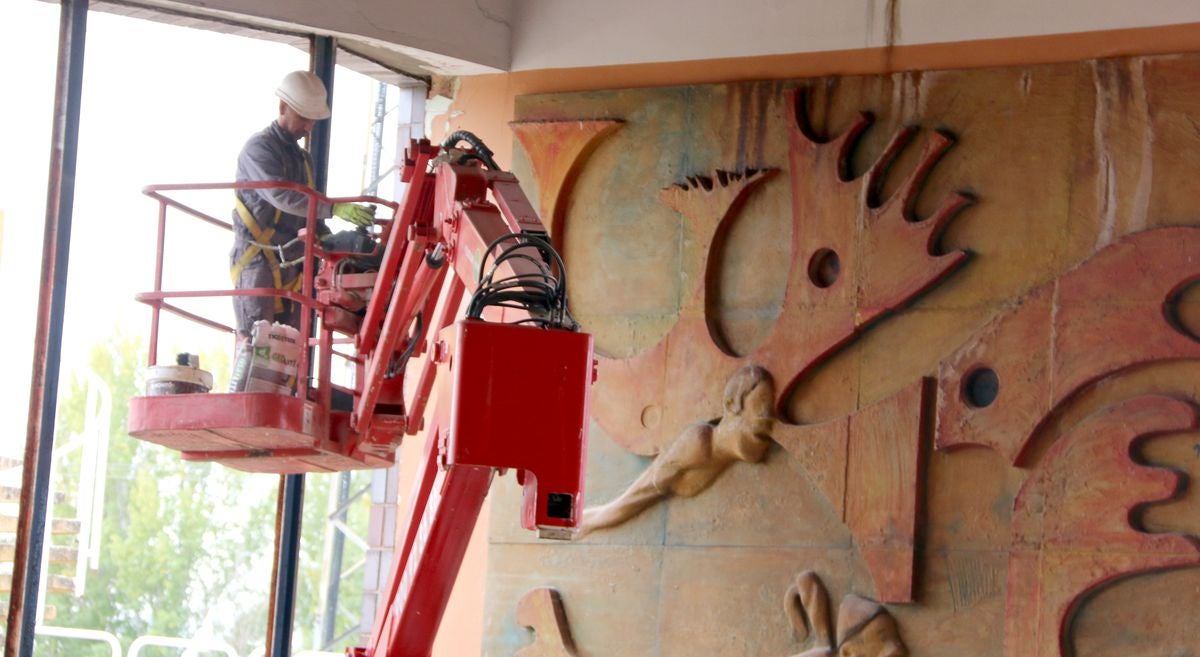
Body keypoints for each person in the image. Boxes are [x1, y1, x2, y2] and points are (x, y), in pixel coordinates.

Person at [230, 70, 376, 336]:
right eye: (303, 117)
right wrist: (334, 208)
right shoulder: (259, 149)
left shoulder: (304, 160)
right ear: (283, 107)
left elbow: (311, 214)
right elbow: (282, 195)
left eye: (312, 120)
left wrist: (335, 244)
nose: (309, 126)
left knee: (291, 349)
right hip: (258, 261)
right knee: (258, 347)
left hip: (295, 264)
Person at [578, 364, 776, 535]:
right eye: (760, 405)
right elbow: (645, 490)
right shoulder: (699, 442)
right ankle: (577, 522)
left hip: (681, 480)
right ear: (733, 404)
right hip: (666, 477)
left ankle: (576, 521)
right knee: (616, 510)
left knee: (616, 510)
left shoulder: (749, 446)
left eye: (768, 408)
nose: (766, 416)